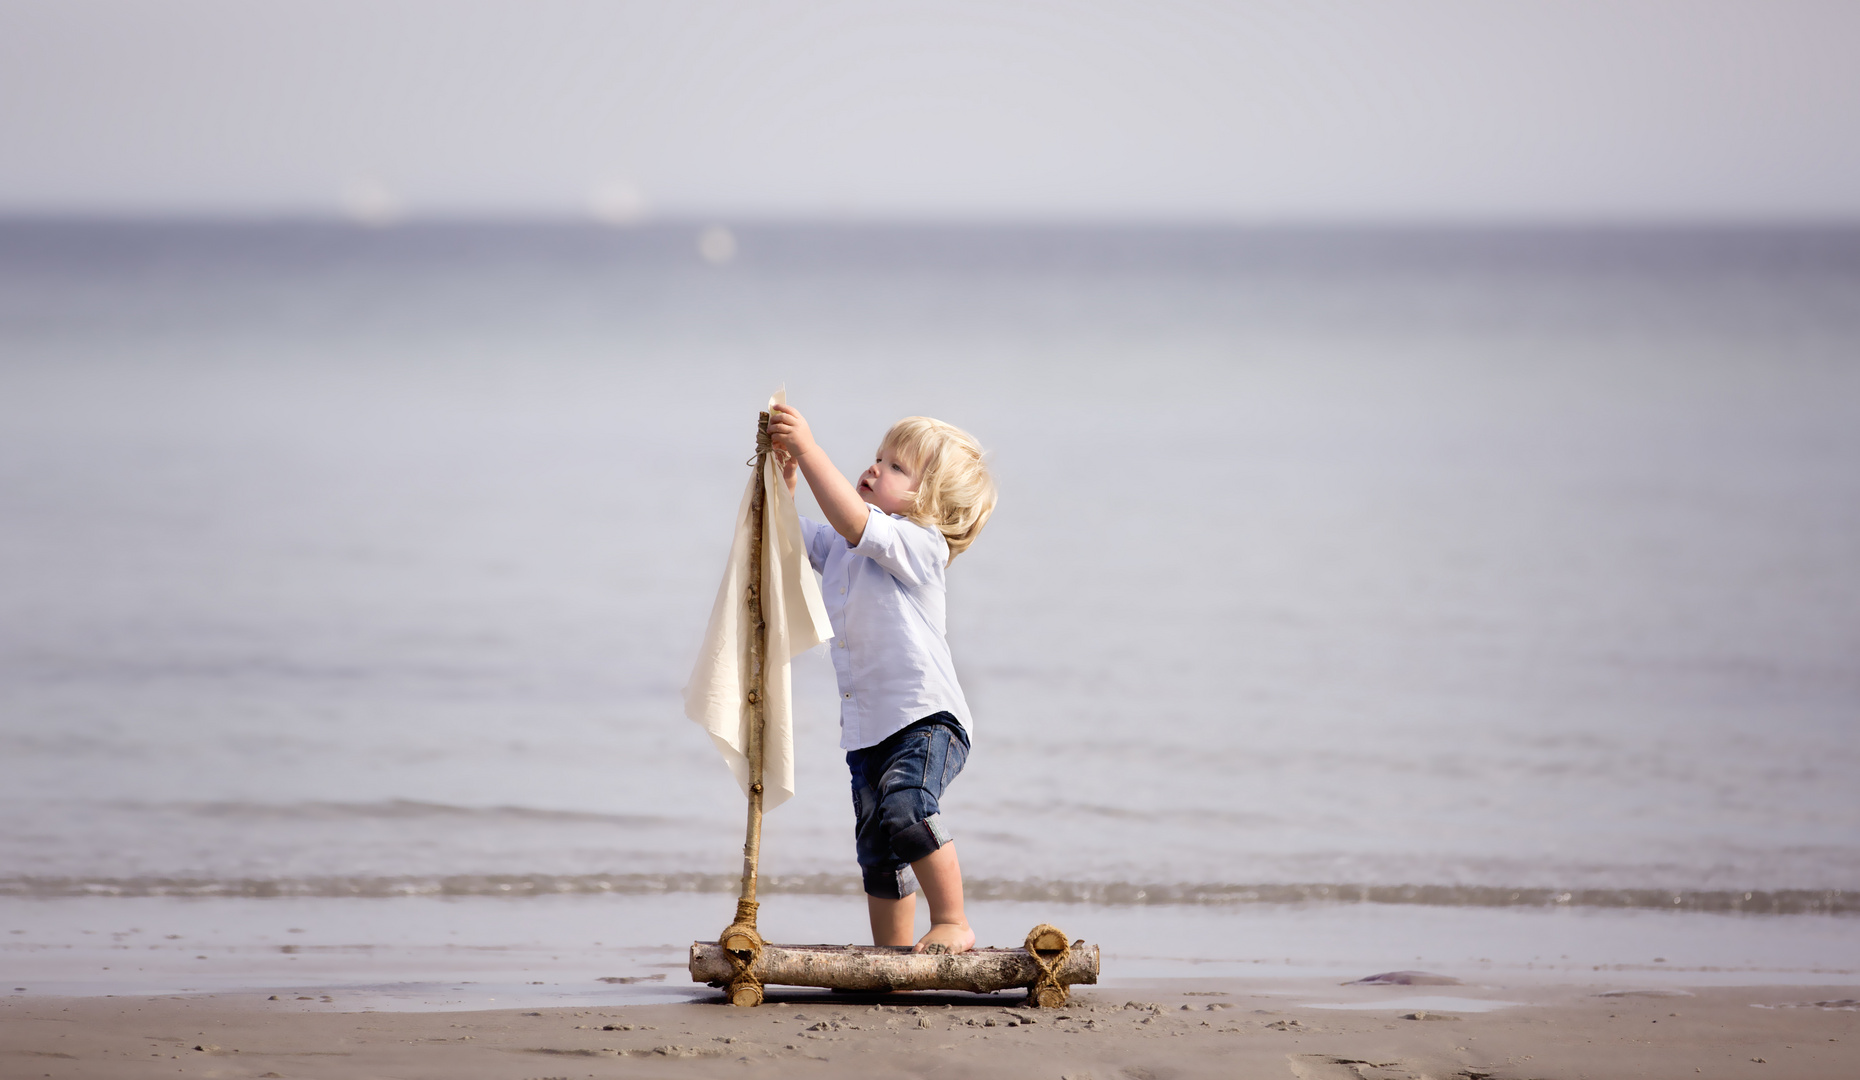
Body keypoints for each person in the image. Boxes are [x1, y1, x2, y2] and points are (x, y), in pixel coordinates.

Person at [767, 403, 996, 955]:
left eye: (896, 467)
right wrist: (784, 485)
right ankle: (895, 954)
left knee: (907, 806)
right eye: (876, 458)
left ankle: (953, 921)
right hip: (869, 729)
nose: (873, 469)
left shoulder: (920, 546)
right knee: (877, 842)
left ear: (930, 503)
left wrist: (809, 449)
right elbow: (784, 540)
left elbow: (852, 520)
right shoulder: (848, 546)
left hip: (926, 718)